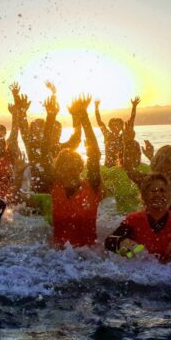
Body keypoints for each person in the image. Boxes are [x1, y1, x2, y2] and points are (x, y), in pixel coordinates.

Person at [39, 95, 102, 247]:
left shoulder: (92, 185)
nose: (69, 168)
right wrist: (50, 116)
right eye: (65, 165)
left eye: (73, 164)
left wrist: (84, 116)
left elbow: (94, 154)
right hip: (60, 258)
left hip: (89, 256)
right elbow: (44, 153)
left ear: (80, 167)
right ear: (58, 169)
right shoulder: (54, 186)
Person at [105, 173, 171, 262]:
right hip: (142, 273)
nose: (158, 194)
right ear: (144, 196)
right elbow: (109, 241)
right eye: (153, 191)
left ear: (169, 195)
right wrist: (121, 241)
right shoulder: (133, 220)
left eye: (162, 190)